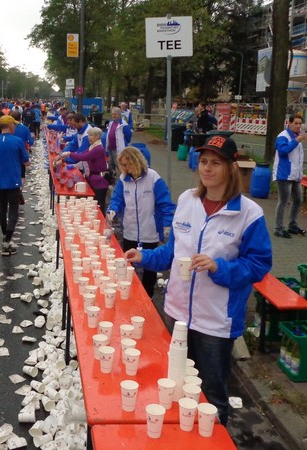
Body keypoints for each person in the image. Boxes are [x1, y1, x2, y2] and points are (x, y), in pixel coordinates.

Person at [124, 136, 272, 426]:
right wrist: (144, 257)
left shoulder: (249, 214)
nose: (207, 168)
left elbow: (258, 265)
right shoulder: (188, 200)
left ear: (231, 168)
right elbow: (173, 251)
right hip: (177, 314)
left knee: (211, 396)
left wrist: (219, 267)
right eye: (204, 161)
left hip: (215, 322)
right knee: (175, 386)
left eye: (216, 163)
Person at [106, 146, 176, 296]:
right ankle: (128, 293)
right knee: (128, 265)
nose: (125, 168)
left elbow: (166, 203)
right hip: (130, 231)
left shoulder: (153, 178)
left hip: (149, 231)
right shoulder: (123, 179)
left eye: (127, 164)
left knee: (150, 269)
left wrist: (167, 224)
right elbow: (117, 199)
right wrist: (113, 209)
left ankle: (148, 296)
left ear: (135, 161)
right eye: (122, 165)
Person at [0, 115, 30, 256]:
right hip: (13, 180)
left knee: (2, 209)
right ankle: (7, 242)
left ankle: (5, 237)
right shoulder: (17, 141)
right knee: (13, 210)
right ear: (11, 126)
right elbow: (26, 161)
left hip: (0, 180)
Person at [57, 127, 111, 215]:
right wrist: (64, 157)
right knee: (93, 203)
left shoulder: (98, 148)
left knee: (98, 205)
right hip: (93, 178)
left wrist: (69, 154)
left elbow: (84, 157)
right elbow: (81, 154)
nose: (89, 137)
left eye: (91, 135)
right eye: (88, 135)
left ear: (97, 137)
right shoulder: (92, 147)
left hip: (99, 181)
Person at [273, 114, 307, 238]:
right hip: (284, 174)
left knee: (298, 200)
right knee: (283, 201)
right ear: (289, 123)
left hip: (295, 175)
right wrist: (296, 141)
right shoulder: (283, 136)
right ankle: (278, 228)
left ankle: (292, 225)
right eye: (296, 123)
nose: (298, 126)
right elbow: (282, 151)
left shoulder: (297, 136)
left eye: (300, 124)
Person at [11, 110, 35, 205]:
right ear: (20, 118)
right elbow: (30, 142)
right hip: (21, 153)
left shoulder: (9, 128)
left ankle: (12, 190)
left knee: (12, 172)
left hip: (10, 152)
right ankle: (19, 189)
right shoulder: (25, 128)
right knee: (22, 174)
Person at [104, 107, 132, 174]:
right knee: (110, 164)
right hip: (110, 147)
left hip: (118, 149)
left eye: (115, 114)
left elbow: (128, 136)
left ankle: (123, 177)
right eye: (112, 114)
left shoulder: (124, 124)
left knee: (119, 165)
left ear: (119, 115)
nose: (113, 116)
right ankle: (112, 177)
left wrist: (123, 143)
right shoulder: (111, 122)